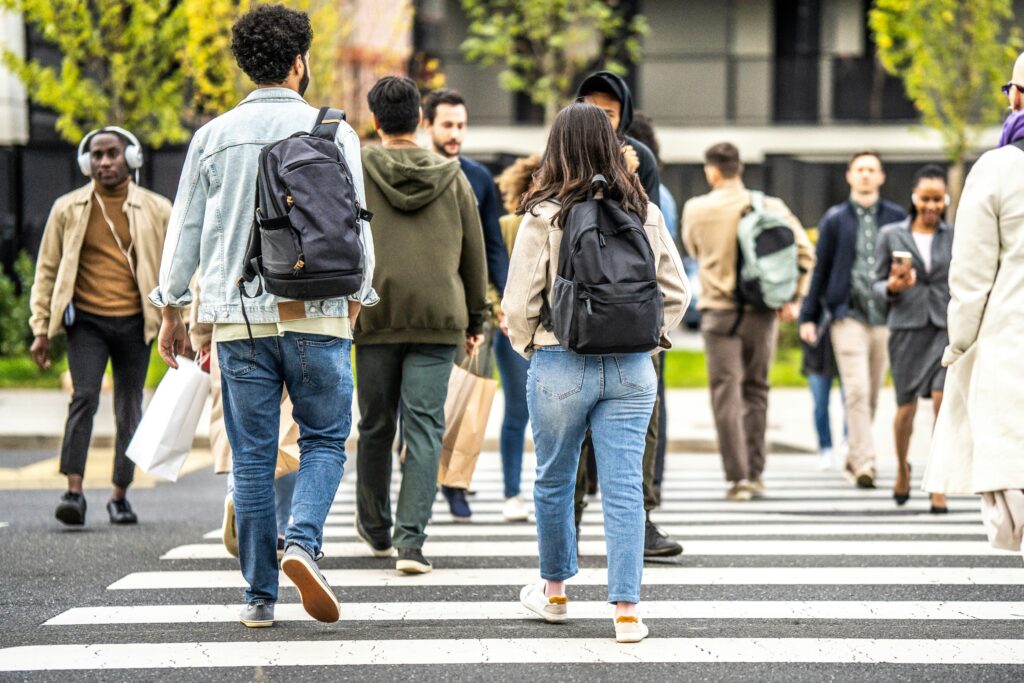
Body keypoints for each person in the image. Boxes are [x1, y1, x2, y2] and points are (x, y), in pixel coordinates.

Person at [150, 4, 377, 628]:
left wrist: (171, 308)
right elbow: (359, 231)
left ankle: (258, 597)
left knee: (251, 455)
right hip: (320, 311)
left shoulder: (213, 136)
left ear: (246, 67)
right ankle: (302, 542)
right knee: (326, 437)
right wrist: (358, 301)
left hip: (236, 318)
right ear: (299, 62)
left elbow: (184, 233)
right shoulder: (335, 132)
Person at [503, 102, 688, 643]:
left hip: (561, 358)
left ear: (556, 148)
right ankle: (627, 612)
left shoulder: (543, 214)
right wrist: (651, 340)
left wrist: (532, 346)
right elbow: (676, 291)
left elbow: (520, 303)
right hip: (633, 366)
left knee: (555, 479)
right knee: (625, 486)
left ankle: (555, 592)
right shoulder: (644, 211)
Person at [353, 76, 488, 574]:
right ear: (421, 122)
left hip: (372, 312)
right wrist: (476, 317)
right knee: (425, 426)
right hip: (439, 317)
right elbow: (473, 253)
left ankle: (375, 525)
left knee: (374, 424)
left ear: (375, 121)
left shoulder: (357, 167)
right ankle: (411, 543)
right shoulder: (453, 176)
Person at [29, 125, 171, 527]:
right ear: (85, 161)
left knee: (130, 409)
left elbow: (178, 270)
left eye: (112, 153)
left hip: (135, 322)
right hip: (86, 322)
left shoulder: (157, 209)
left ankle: (120, 496)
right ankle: (73, 492)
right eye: (96, 155)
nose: (104, 161)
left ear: (131, 158)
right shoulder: (67, 208)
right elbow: (47, 270)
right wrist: (42, 327)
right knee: (84, 398)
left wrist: (185, 324)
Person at [574, 72, 681, 557]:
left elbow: (648, 234)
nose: (602, 123)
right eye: (592, 111)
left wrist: (628, 175)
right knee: (571, 423)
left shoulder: (642, 159)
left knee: (645, 421)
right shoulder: (563, 157)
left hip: (635, 312)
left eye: (610, 115)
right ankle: (568, 519)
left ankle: (644, 518)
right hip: (578, 314)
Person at [924, 52, 1024, 548]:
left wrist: (958, 345)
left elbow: (970, 277)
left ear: (1018, 96)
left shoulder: (998, 170)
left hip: (1011, 342)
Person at [682, 142, 814, 500]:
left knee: (726, 394)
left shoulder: (696, 209)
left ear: (712, 170)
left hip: (717, 311)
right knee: (756, 389)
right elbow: (805, 252)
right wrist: (793, 296)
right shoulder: (770, 206)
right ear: (739, 168)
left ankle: (737, 478)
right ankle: (756, 472)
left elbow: (692, 250)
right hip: (761, 311)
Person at [422, 88, 509, 522]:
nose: (455, 133)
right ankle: (416, 472)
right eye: (447, 125)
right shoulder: (412, 170)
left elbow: (493, 245)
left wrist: (504, 298)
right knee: (423, 399)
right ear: (427, 125)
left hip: (471, 304)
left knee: (471, 396)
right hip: (422, 304)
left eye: (461, 125)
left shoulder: (479, 179)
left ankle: (456, 483)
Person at [799, 151, 907, 489]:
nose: (864, 175)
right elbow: (822, 269)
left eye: (871, 170)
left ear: (881, 177)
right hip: (847, 317)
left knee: (872, 392)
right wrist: (809, 315)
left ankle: (855, 453)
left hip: (885, 316)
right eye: (859, 169)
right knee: (856, 390)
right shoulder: (835, 219)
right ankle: (864, 463)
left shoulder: (897, 217)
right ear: (849, 176)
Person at [873, 165, 952, 513]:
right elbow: (872, 283)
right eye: (925, 198)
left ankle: (938, 482)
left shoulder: (956, 235)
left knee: (942, 404)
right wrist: (891, 287)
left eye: (938, 199)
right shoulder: (891, 235)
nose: (931, 206)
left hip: (945, 328)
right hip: (906, 328)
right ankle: (903, 468)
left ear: (946, 199)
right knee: (905, 408)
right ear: (914, 198)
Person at [626, 111, 678, 503]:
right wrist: (658, 332)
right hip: (641, 333)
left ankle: (564, 544)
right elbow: (675, 286)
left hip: (573, 340)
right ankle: (647, 497)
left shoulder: (553, 207)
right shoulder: (654, 209)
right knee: (646, 420)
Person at [493, 154, 541, 522]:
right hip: (511, 329)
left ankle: (541, 487)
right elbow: (491, 272)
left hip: (547, 332)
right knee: (517, 410)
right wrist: (498, 309)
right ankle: (512, 491)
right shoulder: (508, 226)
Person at [800, 327, 845, 471]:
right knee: (820, 405)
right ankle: (826, 449)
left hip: (847, 351)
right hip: (817, 354)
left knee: (853, 401)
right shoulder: (810, 305)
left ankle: (849, 443)